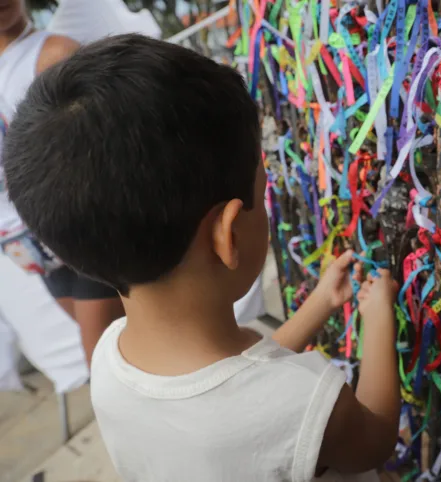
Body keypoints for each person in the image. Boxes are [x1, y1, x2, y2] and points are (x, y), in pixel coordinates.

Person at [4, 34, 401, 481]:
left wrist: (319, 305)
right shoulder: (303, 400)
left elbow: (234, 389)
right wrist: (378, 319)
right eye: (260, 189)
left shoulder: (110, 359)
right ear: (228, 234)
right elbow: (376, 439)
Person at [0, 0, 124, 368]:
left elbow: (103, 146)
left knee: (104, 363)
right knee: (122, 355)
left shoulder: (53, 53)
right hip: (30, 248)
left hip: (81, 232)